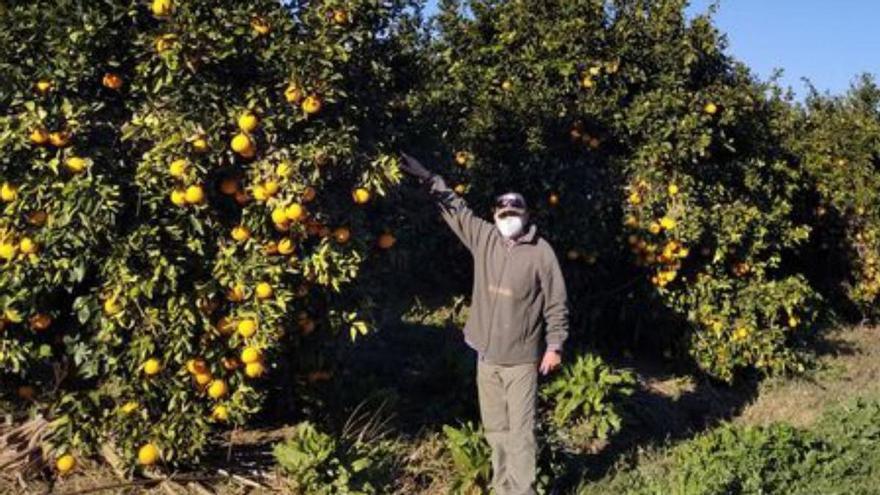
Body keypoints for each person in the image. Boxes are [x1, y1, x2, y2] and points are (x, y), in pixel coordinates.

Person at [398, 152, 570, 495]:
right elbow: (457, 210)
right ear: (495, 215)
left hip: (521, 359)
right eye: (503, 213)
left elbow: (556, 301)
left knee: (520, 433)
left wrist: (555, 345)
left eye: (514, 213)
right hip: (486, 357)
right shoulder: (485, 238)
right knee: (495, 430)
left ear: (526, 216)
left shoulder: (541, 253)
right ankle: (501, 487)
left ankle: (521, 490)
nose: (508, 218)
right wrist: (428, 178)